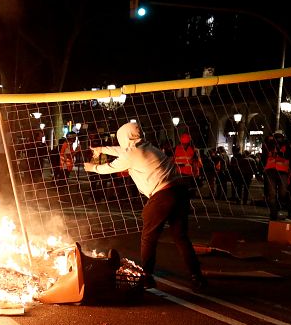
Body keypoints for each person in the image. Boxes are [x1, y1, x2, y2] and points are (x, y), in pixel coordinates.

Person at [84, 122, 207, 290]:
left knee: (148, 237)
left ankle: (147, 277)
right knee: (181, 237)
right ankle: (197, 276)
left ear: (125, 137)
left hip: (162, 195)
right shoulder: (147, 147)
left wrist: (93, 168)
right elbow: (122, 151)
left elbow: (111, 167)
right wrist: (102, 149)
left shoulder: (133, 153)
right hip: (180, 192)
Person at [260, 131, 291, 221]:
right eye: (276, 137)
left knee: (282, 193)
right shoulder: (269, 146)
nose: (278, 139)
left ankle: (278, 206)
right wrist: (260, 170)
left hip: (282, 172)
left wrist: (281, 153)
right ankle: (273, 213)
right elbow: (263, 157)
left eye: (280, 137)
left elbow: (289, 156)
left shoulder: (286, 146)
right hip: (271, 171)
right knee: (272, 194)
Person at [173, 132, 201, 196]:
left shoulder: (192, 149)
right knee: (184, 188)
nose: (184, 144)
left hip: (188, 173)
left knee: (186, 188)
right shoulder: (178, 149)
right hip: (181, 173)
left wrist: (196, 172)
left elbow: (196, 162)